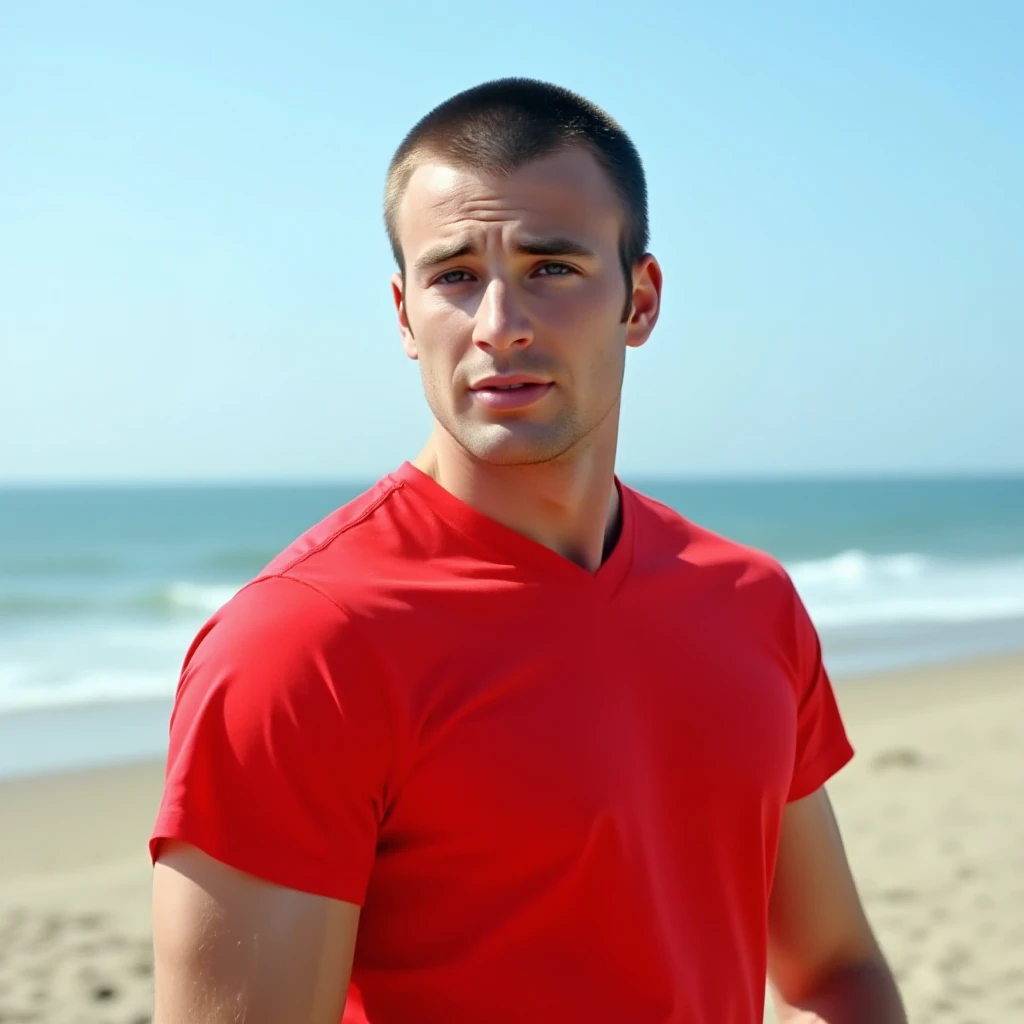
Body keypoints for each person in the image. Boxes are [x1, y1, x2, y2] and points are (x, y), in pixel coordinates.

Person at [149, 78, 906, 1023]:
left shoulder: (747, 601)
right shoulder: (303, 648)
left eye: (551, 267)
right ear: (402, 314)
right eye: (455, 275)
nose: (498, 322)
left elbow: (837, 970)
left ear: (640, 298)